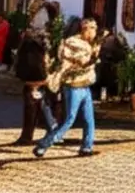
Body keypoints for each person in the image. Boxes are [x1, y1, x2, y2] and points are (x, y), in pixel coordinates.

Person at [34, 17, 106, 158]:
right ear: (85, 29)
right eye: (93, 28)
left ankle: (87, 147)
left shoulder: (89, 43)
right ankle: (44, 144)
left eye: (95, 28)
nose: (95, 31)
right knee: (69, 119)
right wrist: (94, 55)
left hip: (85, 86)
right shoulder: (72, 43)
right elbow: (82, 62)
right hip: (73, 87)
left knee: (89, 119)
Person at [13, 0, 57, 146]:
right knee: (41, 103)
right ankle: (50, 130)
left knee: (34, 102)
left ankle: (32, 135)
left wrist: (41, 76)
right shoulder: (35, 32)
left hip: (35, 73)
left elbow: (38, 57)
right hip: (33, 71)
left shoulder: (38, 35)